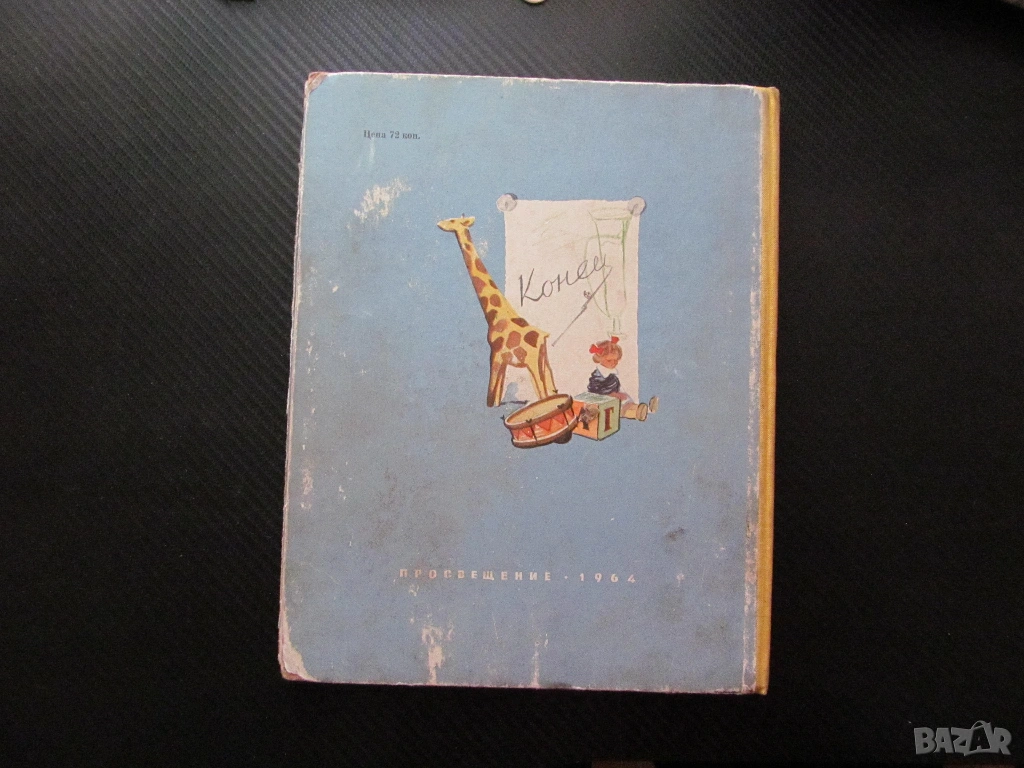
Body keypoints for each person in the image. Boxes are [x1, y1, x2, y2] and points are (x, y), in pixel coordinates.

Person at [586, 337, 657, 420]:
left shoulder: (612, 375)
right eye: (609, 360)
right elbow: (594, 393)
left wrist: (622, 394)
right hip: (604, 403)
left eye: (616, 360)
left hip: (616, 399)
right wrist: (612, 395)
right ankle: (638, 413)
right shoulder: (597, 376)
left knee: (628, 402)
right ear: (600, 360)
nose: (613, 363)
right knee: (622, 410)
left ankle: (647, 410)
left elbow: (617, 386)